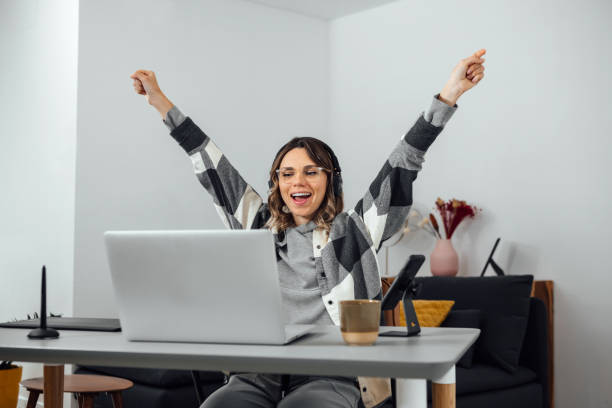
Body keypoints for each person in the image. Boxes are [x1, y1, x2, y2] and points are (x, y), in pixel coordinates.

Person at [130, 49, 486, 408]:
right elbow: (209, 162)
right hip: (257, 373)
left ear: (329, 180)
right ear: (277, 184)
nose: (297, 181)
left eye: (311, 171)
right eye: (287, 173)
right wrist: (160, 102)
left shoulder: (355, 229)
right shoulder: (255, 224)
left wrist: (447, 97)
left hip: (331, 374)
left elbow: (403, 162)